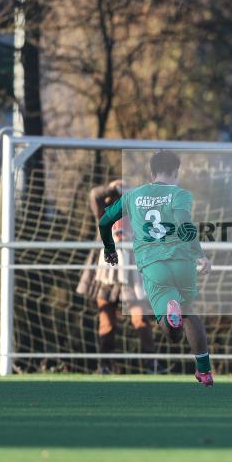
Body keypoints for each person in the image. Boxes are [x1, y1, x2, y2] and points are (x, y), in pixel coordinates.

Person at [97, 151, 215, 386]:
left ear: (152, 173)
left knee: (172, 333)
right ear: (176, 173)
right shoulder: (179, 194)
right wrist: (200, 255)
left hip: (153, 265)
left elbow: (104, 221)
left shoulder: (134, 196)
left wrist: (110, 249)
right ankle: (204, 372)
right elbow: (184, 225)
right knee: (189, 312)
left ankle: (172, 314)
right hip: (182, 263)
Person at [77, 181, 158, 374]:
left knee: (140, 319)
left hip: (132, 275)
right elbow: (94, 194)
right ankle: (105, 364)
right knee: (106, 321)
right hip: (105, 275)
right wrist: (112, 188)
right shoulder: (104, 213)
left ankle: (151, 363)